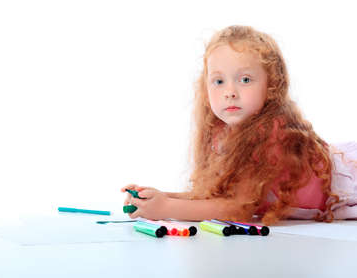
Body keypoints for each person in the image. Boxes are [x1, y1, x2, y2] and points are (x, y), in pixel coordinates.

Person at [121, 25, 357, 225]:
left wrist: (166, 209)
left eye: (245, 80)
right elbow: (218, 197)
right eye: (219, 81)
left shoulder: (273, 132)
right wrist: (160, 198)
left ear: (272, 86)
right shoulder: (222, 132)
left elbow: (239, 209)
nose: (230, 92)